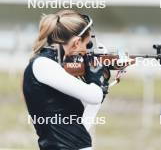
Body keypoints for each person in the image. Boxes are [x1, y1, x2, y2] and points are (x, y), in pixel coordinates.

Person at [22, 10, 109, 150]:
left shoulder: (52, 66)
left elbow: (81, 125)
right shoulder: (43, 65)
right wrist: (95, 78)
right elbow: (94, 95)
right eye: (86, 46)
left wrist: (102, 84)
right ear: (76, 42)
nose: (86, 53)